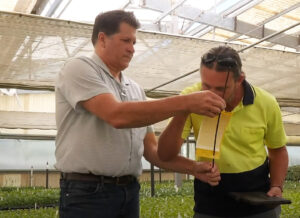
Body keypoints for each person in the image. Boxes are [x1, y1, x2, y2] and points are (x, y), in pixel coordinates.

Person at [55, 10, 225, 218]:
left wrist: (194, 168)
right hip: (88, 194)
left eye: (134, 42)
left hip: (129, 192)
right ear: (102, 39)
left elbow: (152, 151)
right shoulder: (78, 68)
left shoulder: (135, 89)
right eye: (126, 40)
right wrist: (186, 102)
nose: (132, 49)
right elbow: (116, 115)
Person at [157, 46, 289, 218]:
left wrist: (277, 185)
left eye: (220, 88)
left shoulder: (266, 102)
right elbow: (165, 154)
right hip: (210, 197)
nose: (211, 94)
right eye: (206, 86)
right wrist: (183, 109)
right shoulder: (190, 97)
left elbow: (277, 149)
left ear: (240, 78)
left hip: (257, 196)